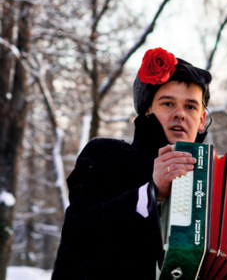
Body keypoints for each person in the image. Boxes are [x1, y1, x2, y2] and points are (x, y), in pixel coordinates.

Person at [52, 48, 212, 279]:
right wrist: (150, 193)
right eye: (168, 104)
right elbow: (77, 234)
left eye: (190, 106)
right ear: (147, 109)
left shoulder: (215, 182)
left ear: (201, 120)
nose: (180, 114)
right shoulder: (107, 154)